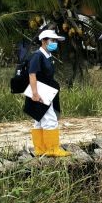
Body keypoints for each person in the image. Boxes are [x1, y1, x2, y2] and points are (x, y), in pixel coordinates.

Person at [25, 29, 70, 157]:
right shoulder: (37, 56)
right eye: (52, 40)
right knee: (50, 119)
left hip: (45, 90)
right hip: (40, 92)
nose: (55, 43)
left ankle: (40, 149)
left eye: (55, 40)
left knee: (39, 119)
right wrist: (35, 94)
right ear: (44, 41)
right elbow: (32, 74)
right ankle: (52, 149)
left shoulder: (47, 55)